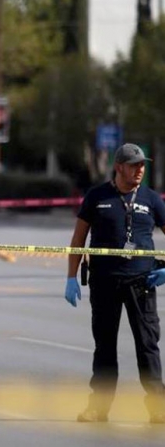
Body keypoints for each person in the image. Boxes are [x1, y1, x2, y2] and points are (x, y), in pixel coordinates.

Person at [65, 142, 165, 424]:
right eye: (134, 165)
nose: (140, 170)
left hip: (141, 283)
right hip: (104, 283)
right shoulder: (97, 196)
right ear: (118, 167)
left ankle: (158, 408)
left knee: (148, 347)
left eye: (143, 165)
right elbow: (78, 240)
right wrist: (71, 277)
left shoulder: (152, 199)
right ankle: (99, 408)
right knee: (105, 347)